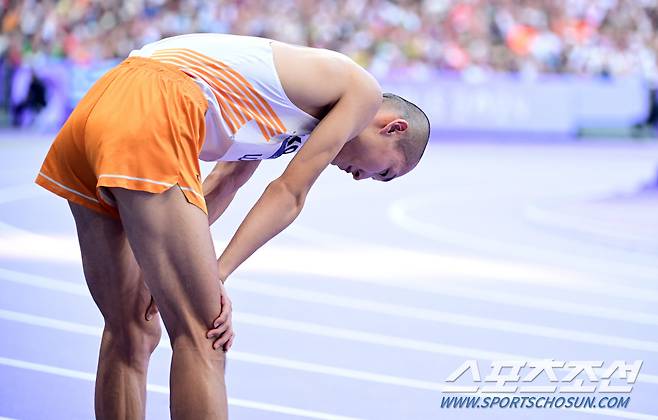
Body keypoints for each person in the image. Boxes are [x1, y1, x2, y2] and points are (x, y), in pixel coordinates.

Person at [34, 33, 430, 420]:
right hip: (154, 102)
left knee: (132, 329)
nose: (364, 179)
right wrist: (215, 273)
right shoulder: (362, 91)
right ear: (393, 128)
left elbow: (225, 182)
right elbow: (289, 192)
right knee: (206, 334)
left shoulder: (285, 106)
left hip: (101, 107)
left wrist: (187, 266)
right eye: (386, 173)